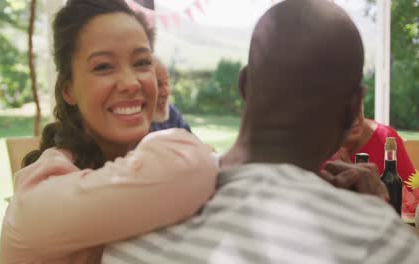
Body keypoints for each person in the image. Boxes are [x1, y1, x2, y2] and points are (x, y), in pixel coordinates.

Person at [101, 1, 419, 263]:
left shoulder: (135, 213)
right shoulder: (377, 242)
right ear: (353, 110)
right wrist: (380, 220)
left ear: (244, 85)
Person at [0, 0, 217, 263]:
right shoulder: (44, 197)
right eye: (103, 66)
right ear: (68, 90)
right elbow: (195, 166)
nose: (130, 83)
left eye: (142, 62)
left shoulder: (121, 169)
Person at [332, 93, 418, 220]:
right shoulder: (316, 148)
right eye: (347, 113)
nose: (355, 119)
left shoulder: (386, 138)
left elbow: (414, 199)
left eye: (358, 107)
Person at [150, 56, 192, 132]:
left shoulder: (171, 112)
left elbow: (192, 141)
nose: (167, 92)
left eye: (167, 83)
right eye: (158, 84)